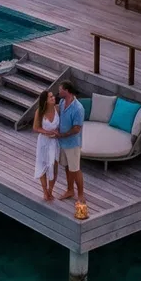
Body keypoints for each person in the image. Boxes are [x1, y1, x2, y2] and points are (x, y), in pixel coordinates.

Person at [53, 81, 86, 212]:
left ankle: (81, 194)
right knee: (67, 167)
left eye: (60, 89)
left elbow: (77, 129)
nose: (58, 91)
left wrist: (63, 135)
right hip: (63, 143)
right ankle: (70, 190)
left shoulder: (78, 108)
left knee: (75, 169)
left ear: (67, 91)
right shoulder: (62, 102)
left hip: (72, 144)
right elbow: (58, 113)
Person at [32, 91, 61, 202]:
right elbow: (35, 128)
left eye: (53, 96)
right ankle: (45, 192)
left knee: (54, 166)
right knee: (42, 165)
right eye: (50, 97)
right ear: (46, 101)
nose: (53, 98)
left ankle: (50, 190)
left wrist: (59, 133)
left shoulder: (57, 109)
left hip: (54, 142)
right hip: (44, 142)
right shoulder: (40, 112)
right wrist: (47, 132)